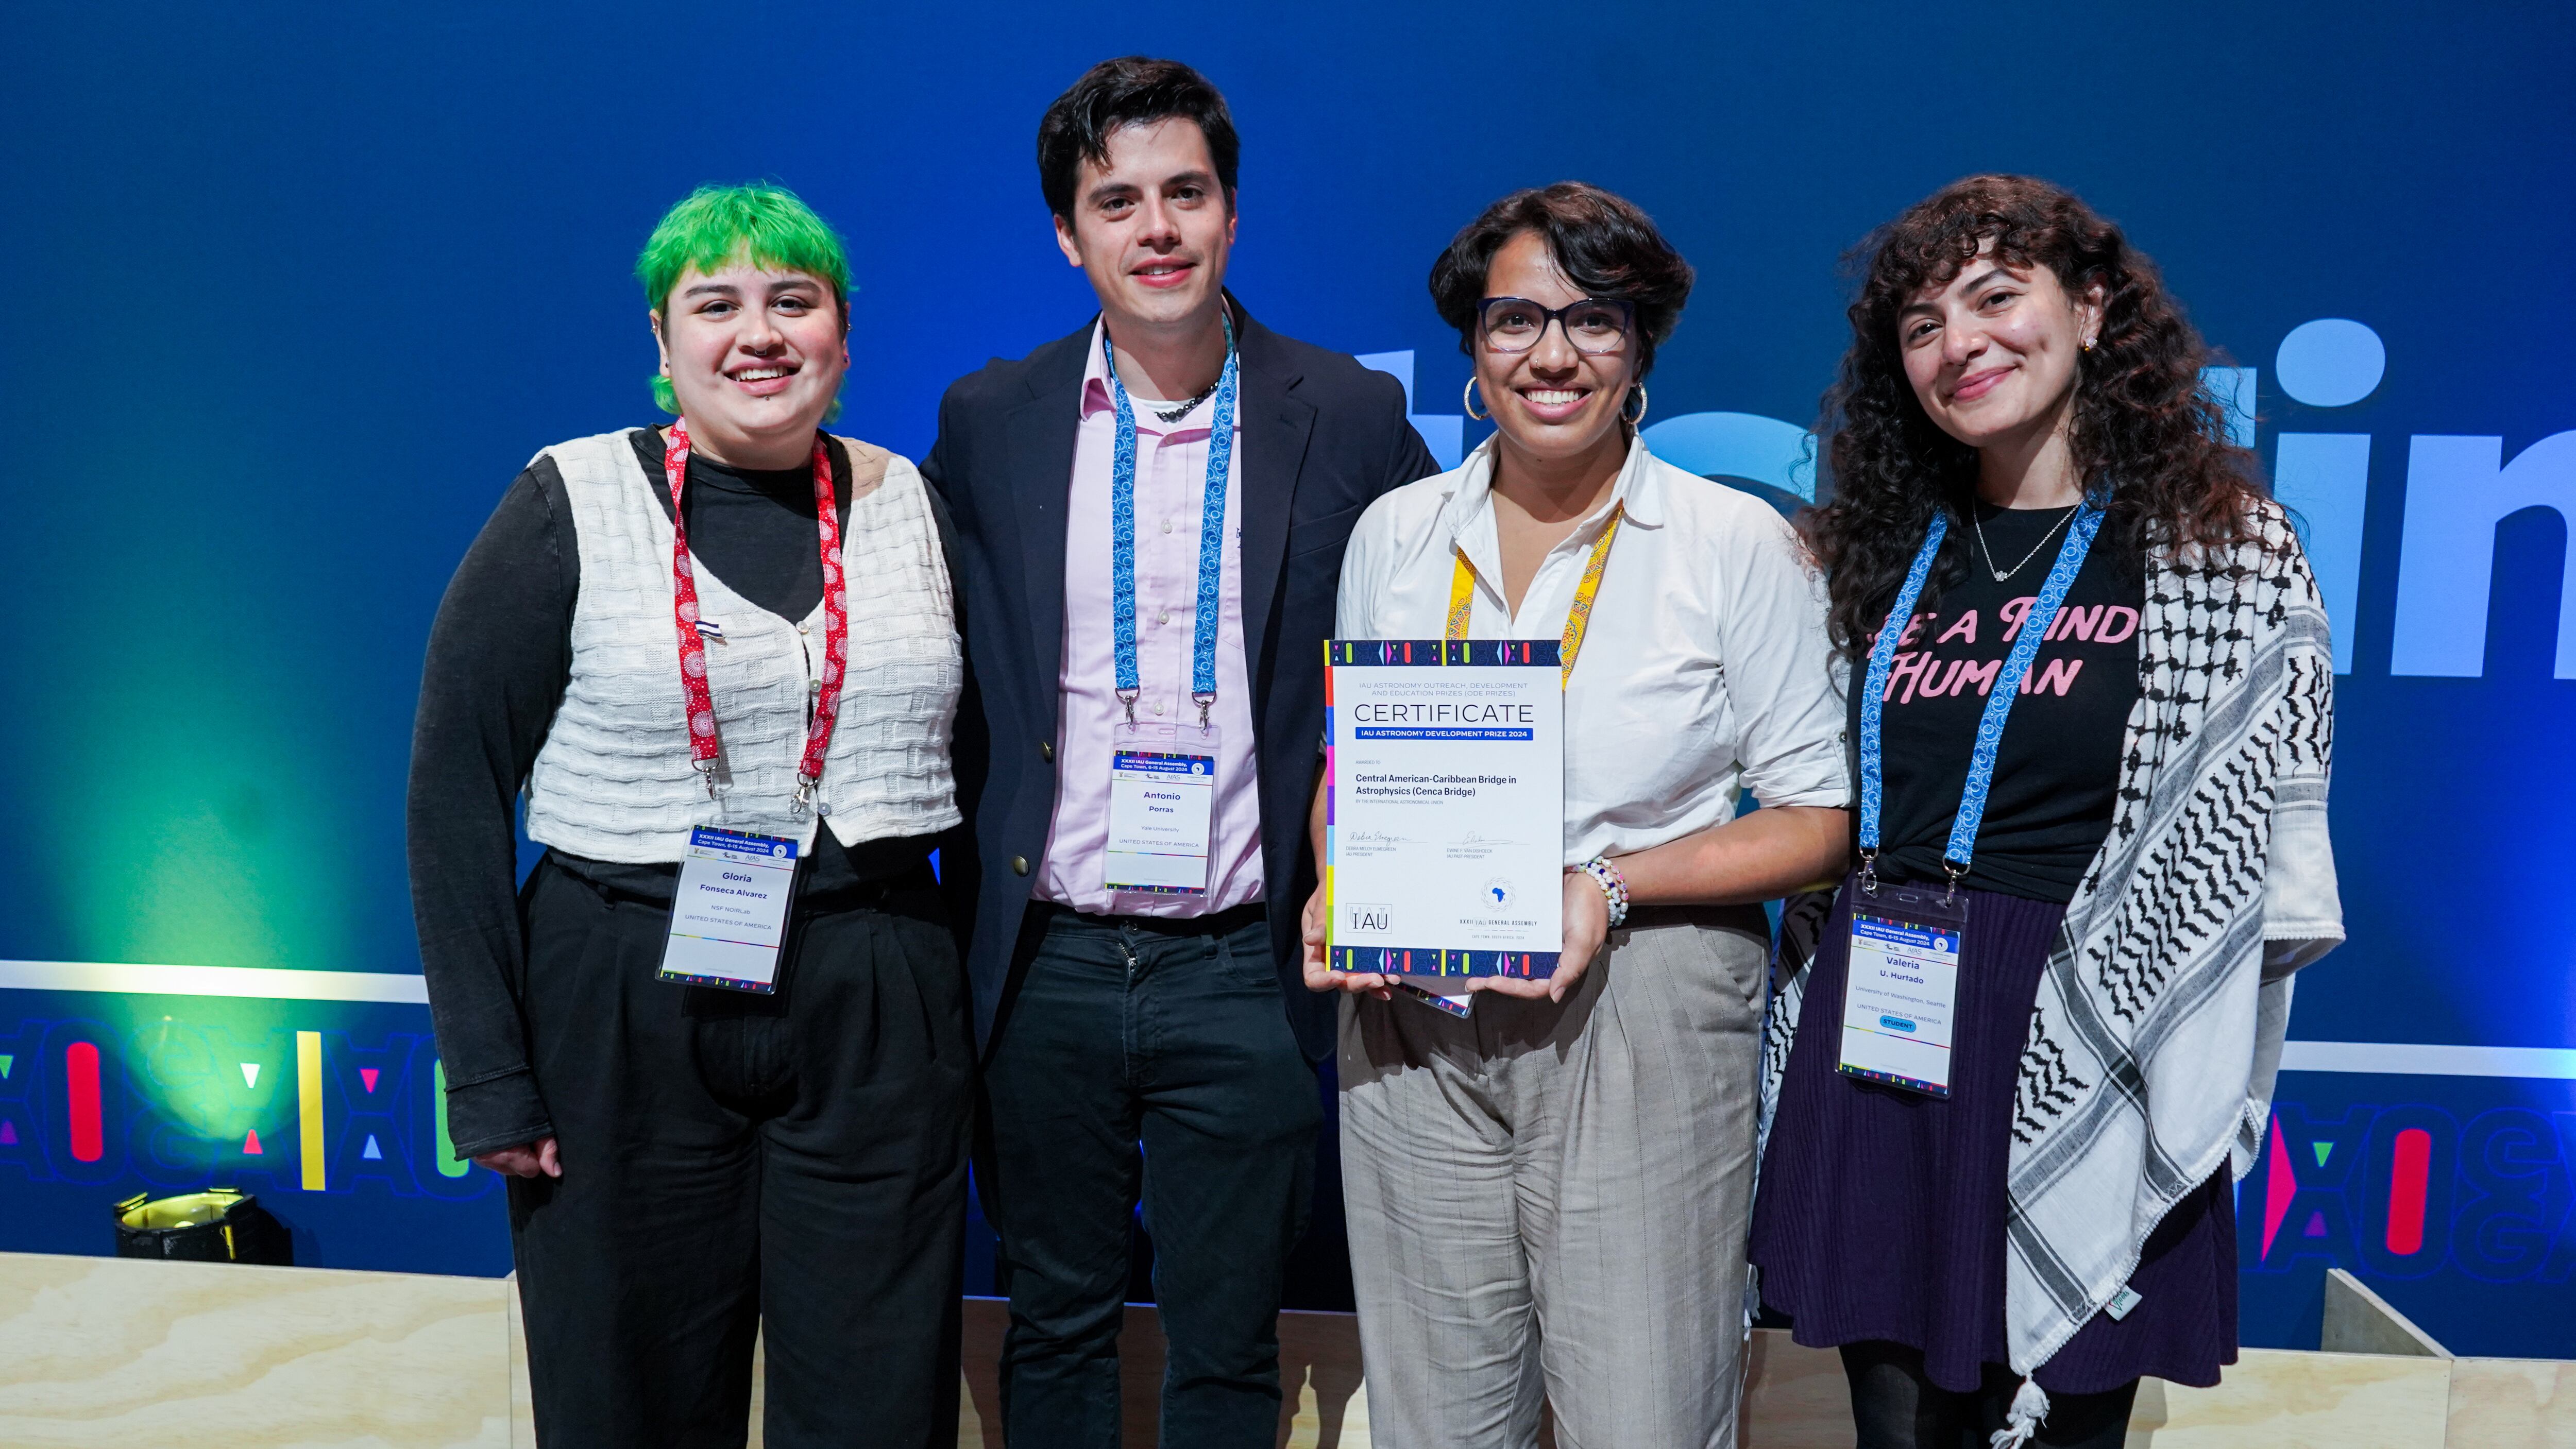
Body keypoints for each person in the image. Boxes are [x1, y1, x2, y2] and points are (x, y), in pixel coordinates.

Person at [1750, 174, 2343, 1449]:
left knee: (2064, 1421)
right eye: (1918, 325)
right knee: (1897, 1421)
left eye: (1993, 298)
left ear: (2086, 309)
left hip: (2086, 1008)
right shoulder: (1869, 553)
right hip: (1885, 1004)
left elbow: (2255, 846)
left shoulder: (2223, 551)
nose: (1956, 343)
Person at [921, 57, 1440, 1448]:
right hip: (1046, 958)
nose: (1154, 226)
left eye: (1184, 193)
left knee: (1225, 1345)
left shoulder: (1344, 414)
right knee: (1057, 1326)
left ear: (1229, 212)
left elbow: (1410, 674)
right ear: (1068, 235)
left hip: (1242, 960)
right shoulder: (991, 420)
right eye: (1117, 200)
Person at [407, 183, 971, 1448]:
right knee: (630, 1401)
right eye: (715, 305)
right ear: (663, 345)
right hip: (620, 993)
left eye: (794, 301)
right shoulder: (569, 501)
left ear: (842, 332)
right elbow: (452, 790)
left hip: (873, 992)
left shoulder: (913, 504)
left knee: (879, 1405)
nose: (757, 334)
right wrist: (491, 1076)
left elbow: (989, 781)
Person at [1310, 182, 1853, 1448]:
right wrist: (1335, 885)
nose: (1551, 355)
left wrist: (1605, 885)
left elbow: (1821, 819)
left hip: (1641, 1006)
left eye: (1592, 320)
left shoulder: (1730, 544)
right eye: (1513, 320)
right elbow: (1355, 765)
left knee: (1641, 1415)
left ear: (1640, 348)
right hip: (1409, 1017)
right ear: (1471, 347)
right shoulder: (1395, 534)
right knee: (1434, 1419)